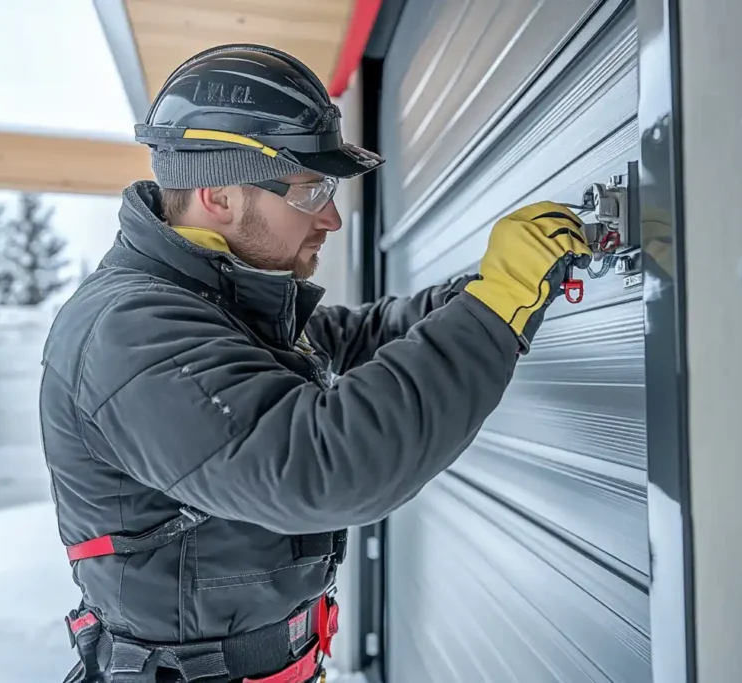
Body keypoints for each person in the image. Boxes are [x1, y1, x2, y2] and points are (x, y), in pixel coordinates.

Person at [41, 43, 593, 683]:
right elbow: (323, 466)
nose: (330, 216)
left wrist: (491, 289)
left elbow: (366, 338)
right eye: (311, 190)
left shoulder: (220, 305)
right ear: (218, 193)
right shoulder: (130, 332)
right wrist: (498, 308)